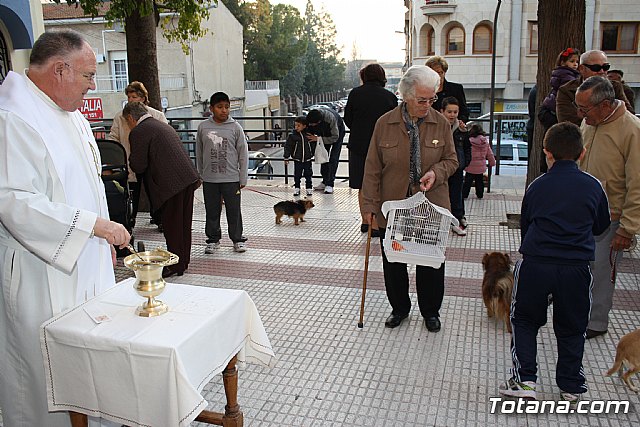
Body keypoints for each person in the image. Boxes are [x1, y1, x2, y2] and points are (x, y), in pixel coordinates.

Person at [0, 29, 131, 427]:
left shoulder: (70, 113)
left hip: (86, 258)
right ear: (60, 70)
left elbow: (88, 182)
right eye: (88, 75)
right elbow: (12, 200)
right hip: (41, 272)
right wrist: (93, 226)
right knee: (45, 377)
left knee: (89, 364)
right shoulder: (12, 117)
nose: (92, 86)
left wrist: (102, 241)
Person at [500, 122, 610, 404]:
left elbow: (526, 224)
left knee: (525, 320)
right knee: (573, 326)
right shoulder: (594, 186)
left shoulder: (537, 186)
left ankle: (525, 381)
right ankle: (571, 386)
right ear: (582, 153)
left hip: (536, 263)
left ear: (546, 152)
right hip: (576, 267)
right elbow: (601, 226)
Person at [361, 65, 458, 332]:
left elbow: (452, 160)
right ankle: (400, 308)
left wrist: (436, 173)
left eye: (432, 99)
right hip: (394, 205)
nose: (427, 105)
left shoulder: (441, 123)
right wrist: (369, 206)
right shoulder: (385, 124)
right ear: (406, 96)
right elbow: (372, 168)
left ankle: (431, 311)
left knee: (431, 262)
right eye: (422, 100)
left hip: (430, 205)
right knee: (394, 261)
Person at [575, 76, 640, 339]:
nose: (580, 114)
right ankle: (578, 313)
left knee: (602, 271)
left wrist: (628, 228)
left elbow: (637, 183)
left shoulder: (632, 130)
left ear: (604, 105)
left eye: (584, 109)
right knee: (581, 267)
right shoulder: (589, 122)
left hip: (611, 218)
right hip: (581, 213)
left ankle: (596, 322)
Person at [125, 101, 200, 278]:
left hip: (170, 184)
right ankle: (182, 261)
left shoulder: (139, 131)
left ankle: (174, 265)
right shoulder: (160, 125)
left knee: (172, 225)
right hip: (187, 177)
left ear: (130, 118)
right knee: (183, 225)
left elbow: (138, 164)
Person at [343, 63, 398, 236]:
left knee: (362, 184)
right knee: (381, 184)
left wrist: (359, 128)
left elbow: (348, 119)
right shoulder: (389, 97)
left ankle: (365, 221)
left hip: (359, 145)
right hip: (384, 146)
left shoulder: (355, 94)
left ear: (364, 76)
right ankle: (377, 223)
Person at [109, 81, 168, 227]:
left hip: (151, 163)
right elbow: (113, 138)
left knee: (155, 192)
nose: (130, 100)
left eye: (134, 97)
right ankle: (130, 221)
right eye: (129, 97)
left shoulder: (156, 115)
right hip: (129, 162)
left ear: (143, 98)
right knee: (130, 194)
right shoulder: (120, 117)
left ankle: (160, 219)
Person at [196, 92, 249, 254]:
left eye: (227, 107)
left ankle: (237, 239)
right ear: (211, 108)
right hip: (210, 179)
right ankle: (213, 240)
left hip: (231, 179)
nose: (224, 110)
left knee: (234, 210)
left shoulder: (235, 127)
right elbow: (199, 153)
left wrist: (242, 177)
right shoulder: (203, 127)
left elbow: (243, 154)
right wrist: (201, 174)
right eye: (219, 107)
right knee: (212, 211)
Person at [556, 50, 633, 125]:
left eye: (606, 67)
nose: (602, 71)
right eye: (596, 68)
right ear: (582, 69)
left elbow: (628, 115)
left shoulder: (616, 87)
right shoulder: (566, 90)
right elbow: (567, 123)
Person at [440, 96, 471, 236]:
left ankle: (458, 219)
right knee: (441, 195)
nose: (452, 115)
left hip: (457, 167)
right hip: (441, 168)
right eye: (449, 112)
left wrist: (465, 162)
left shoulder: (461, 130)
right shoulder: (437, 127)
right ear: (442, 111)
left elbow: (467, 147)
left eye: (455, 112)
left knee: (457, 194)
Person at [538, 47, 581, 130]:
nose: (575, 64)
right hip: (553, 110)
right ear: (563, 63)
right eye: (572, 61)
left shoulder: (564, 74)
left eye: (577, 62)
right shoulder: (567, 76)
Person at [306, 107, 346, 194]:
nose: (311, 126)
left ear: (319, 122)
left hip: (336, 133)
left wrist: (318, 139)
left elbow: (335, 137)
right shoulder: (310, 119)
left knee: (333, 158)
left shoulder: (330, 119)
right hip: (322, 134)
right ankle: (324, 181)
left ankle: (330, 184)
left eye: (313, 124)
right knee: (323, 156)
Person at [425, 55, 469, 123]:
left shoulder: (456, 89)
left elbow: (464, 111)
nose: (438, 76)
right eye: (435, 73)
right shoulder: (425, 90)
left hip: (451, 127)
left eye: (440, 72)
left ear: (444, 72)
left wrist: (460, 122)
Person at [284, 116, 315, 196]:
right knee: (297, 175)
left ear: (304, 126)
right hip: (297, 159)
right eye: (295, 125)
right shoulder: (292, 136)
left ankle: (309, 188)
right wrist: (286, 157)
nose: (296, 127)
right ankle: (297, 188)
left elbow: (313, 145)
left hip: (307, 159)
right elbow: (288, 146)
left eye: (298, 125)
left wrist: (312, 153)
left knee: (308, 174)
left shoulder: (309, 135)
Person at [463, 124, 496, 200]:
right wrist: (492, 162)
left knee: (468, 181)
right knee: (479, 181)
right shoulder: (484, 142)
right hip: (480, 166)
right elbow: (489, 153)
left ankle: (464, 194)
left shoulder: (469, 141)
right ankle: (480, 194)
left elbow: (465, 152)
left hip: (470, 165)